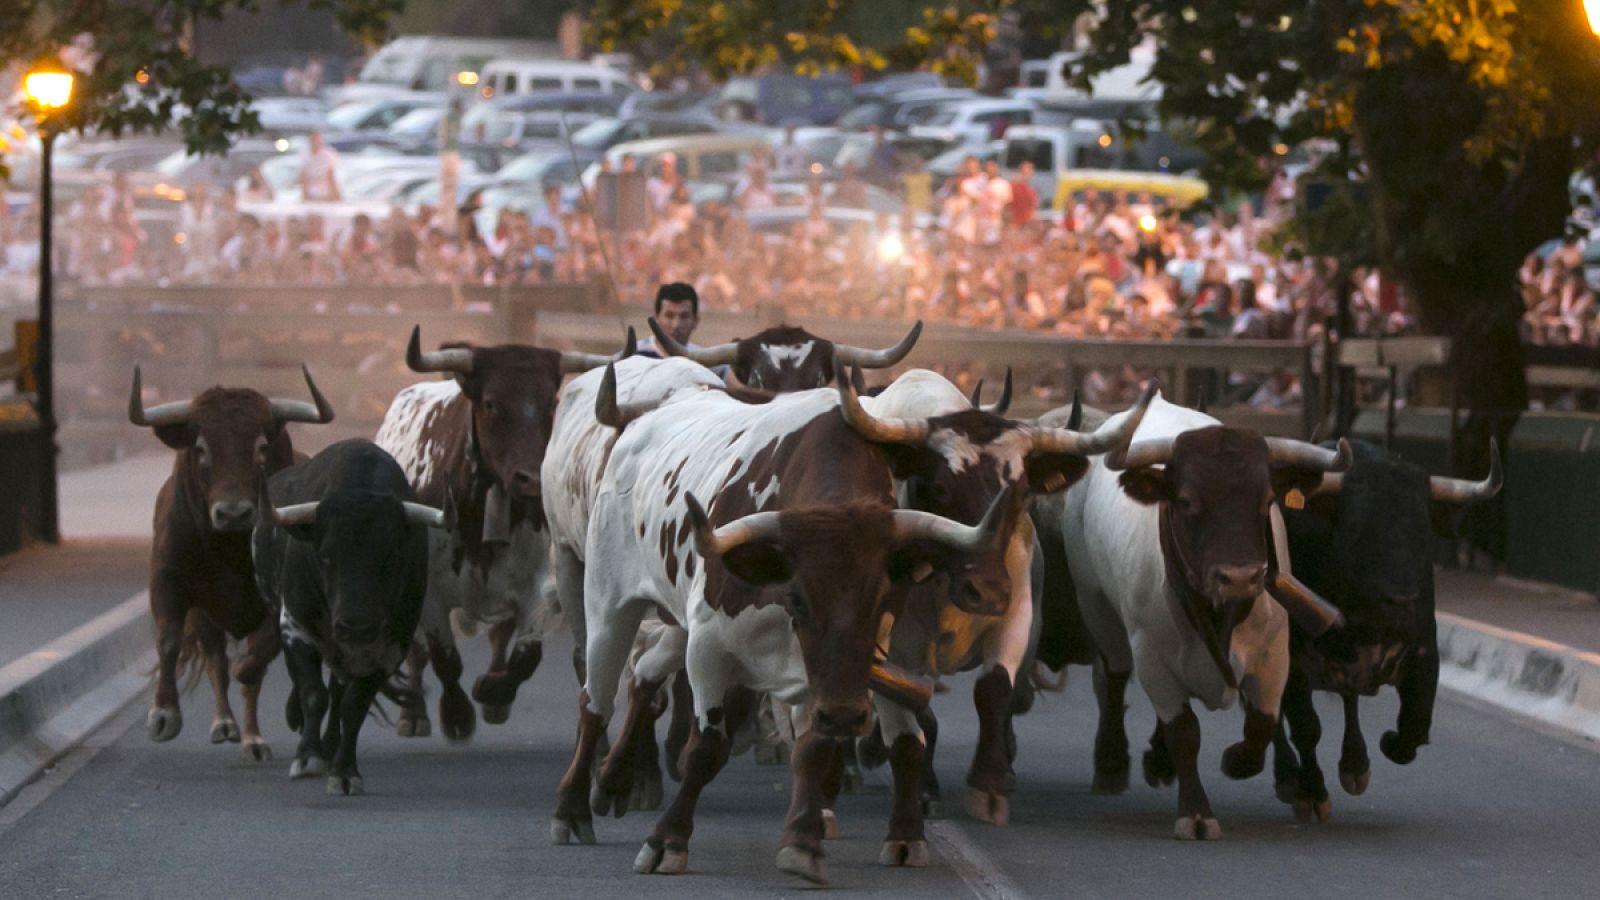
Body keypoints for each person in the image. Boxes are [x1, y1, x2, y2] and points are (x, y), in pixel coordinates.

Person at [636, 281, 730, 378]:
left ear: (696, 321)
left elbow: (733, 383)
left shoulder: (704, 363)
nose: (676, 325)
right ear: (656, 319)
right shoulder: (635, 357)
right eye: (669, 316)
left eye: (684, 316)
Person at [299, 130, 341, 202]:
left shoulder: (328, 156)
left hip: (326, 194)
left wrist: (335, 194)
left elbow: (331, 176)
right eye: (313, 140)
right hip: (311, 194)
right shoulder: (305, 155)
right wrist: (304, 194)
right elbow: (303, 177)